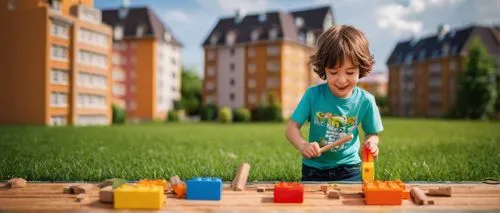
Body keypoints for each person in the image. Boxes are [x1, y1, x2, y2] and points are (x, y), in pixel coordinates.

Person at [285, 25, 383, 181]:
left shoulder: (366, 101)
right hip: (314, 169)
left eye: (350, 72)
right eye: (333, 72)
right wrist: (303, 145)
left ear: (361, 68)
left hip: (349, 169)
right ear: (324, 68)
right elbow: (291, 128)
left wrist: (371, 143)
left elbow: (372, 133)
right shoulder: (313, 95)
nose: (341, 80)